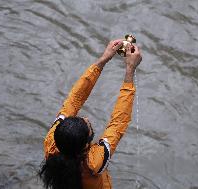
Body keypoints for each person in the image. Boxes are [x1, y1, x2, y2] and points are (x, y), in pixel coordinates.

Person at [39, 39, 142, 189]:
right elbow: (119, 122)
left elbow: (74, 100)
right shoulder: (95, 162)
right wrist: (130, 70)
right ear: (86, 146)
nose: (86, 118)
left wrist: (102, 60)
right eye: (87, 125)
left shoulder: (51, 143)